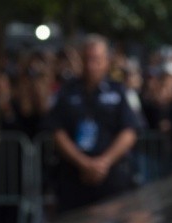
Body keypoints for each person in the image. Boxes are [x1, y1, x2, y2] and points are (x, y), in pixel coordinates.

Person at [46, 34, 139, 213]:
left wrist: (104, 162)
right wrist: (84, 163)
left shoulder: (118, 91)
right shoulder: (67, 91)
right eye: (87, 59)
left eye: (96, 60)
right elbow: (56, 130)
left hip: (111, 177)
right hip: (73, 177)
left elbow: (130, 130)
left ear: (106, 61)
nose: (91, 66)